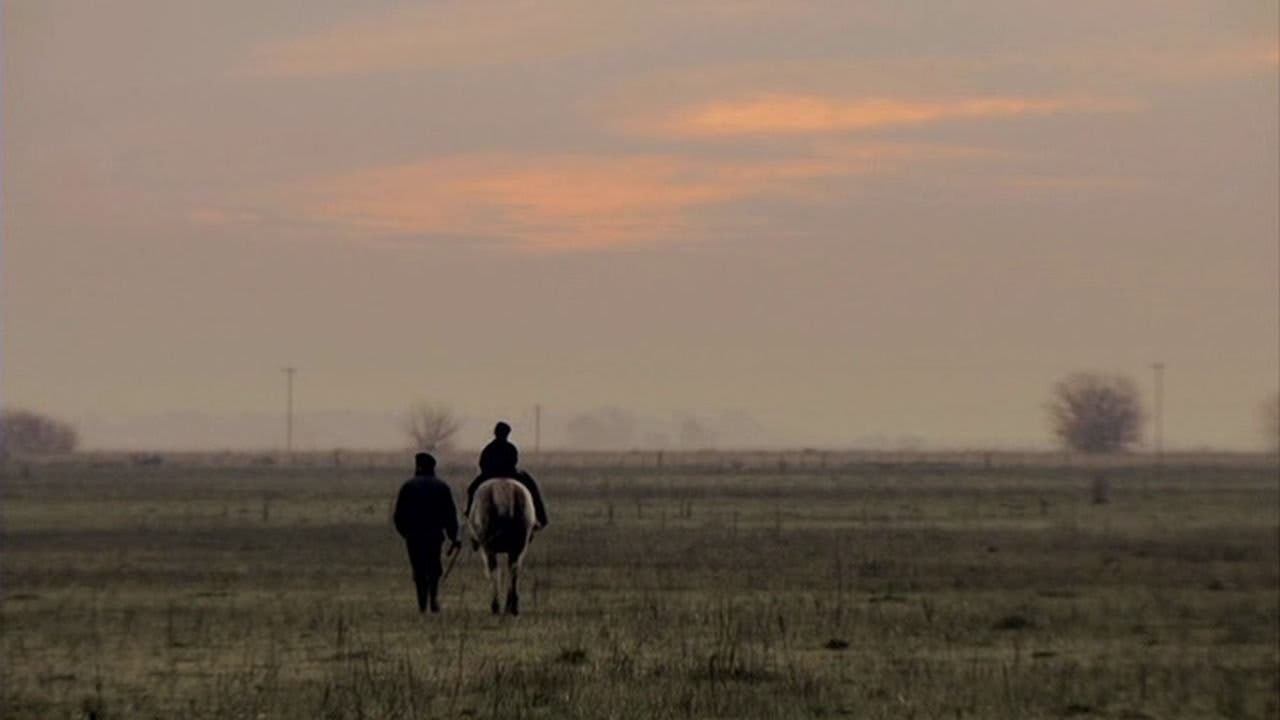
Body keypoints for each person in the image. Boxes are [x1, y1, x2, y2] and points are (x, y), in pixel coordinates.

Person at [393, 452, 460, 613]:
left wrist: (406, 533)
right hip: (434, 535)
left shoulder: (408, 487)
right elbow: (450, 513)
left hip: (414, 536)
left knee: (418, 569)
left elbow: (399, 516)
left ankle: (422, 604)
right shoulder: (442, 486)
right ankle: (433, 600)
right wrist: (453, 536)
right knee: (434, 567)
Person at [464, 421, 549, 529]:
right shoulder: (511, 447)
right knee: (531, 486)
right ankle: (540, 517)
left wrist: (488, 471)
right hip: (510, 474)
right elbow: (514, 461)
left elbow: (482, 463)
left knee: (472, 489)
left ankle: (470, 512)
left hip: (490, 475)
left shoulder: (489, 448)